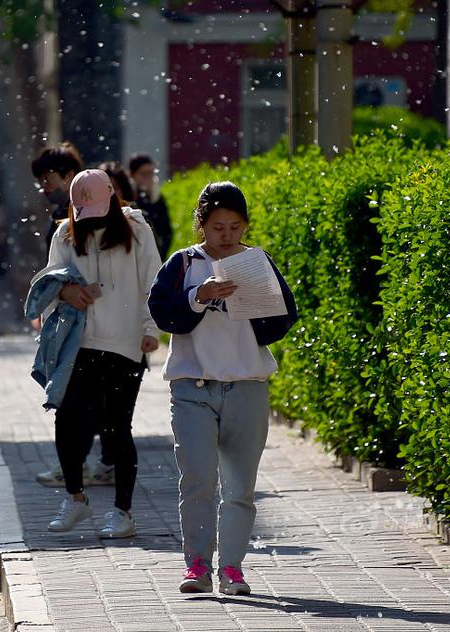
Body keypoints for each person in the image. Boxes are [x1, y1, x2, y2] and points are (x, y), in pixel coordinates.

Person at [147, 181, 296, 595]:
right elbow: (161, 312)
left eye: (234, 226)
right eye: (217, 227)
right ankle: (197, 564)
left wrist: (251, 304)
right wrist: (199, 295)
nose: (226, 235)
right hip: (192, 385)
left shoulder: (256, 261)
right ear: (201, 226)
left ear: (245, 225)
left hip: (247, 384)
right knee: (196, 477)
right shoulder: (184, 263)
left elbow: (283, 318)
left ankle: (232, 567)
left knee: (240, 485)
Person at [35, 169, 162, 538]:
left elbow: (153, 280)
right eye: (82, 211)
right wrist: (66, 293)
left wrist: (151, 329)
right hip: (79, 344)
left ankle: (123, 512)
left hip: (126, 345)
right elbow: (48, 283)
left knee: (117, 428)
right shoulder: (64, 233)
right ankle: (76, 498)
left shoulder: (136, 228)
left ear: (112, 198)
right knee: (67, 421)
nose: (89, 219)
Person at [30, 142, 83, 246]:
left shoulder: (83, 213)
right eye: (40, 180)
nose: (43, 185)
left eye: (47, 178)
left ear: (69, 175)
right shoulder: (58, 214)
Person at [129, 153, 173, 260]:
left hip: (155, 255)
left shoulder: (157, 197)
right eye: (143, 173)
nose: (148, 177)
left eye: (151, 173)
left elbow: (167, 232)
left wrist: (159, 255)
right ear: (133, 175)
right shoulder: (129, 197)